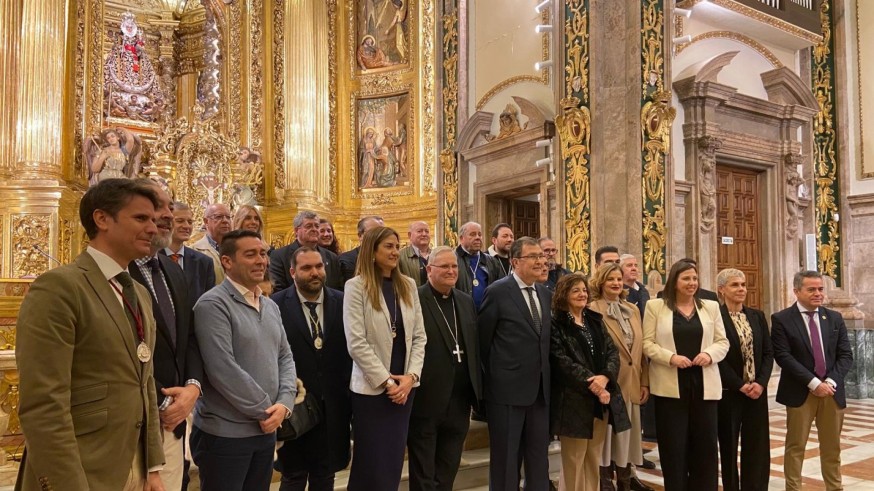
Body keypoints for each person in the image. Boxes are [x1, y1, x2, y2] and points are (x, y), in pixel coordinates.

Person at [16, 178, 165, 490]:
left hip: (133, 464)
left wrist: (152, 466)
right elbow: (44, 403)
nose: (153, 228)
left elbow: (144, 382)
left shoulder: (138, 292)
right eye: (141, 218)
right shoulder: (60, 287)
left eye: (154, 219)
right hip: (84, 467)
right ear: (102, 219)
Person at [191, 230, 297, 491]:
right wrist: (266, 409)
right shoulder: (213, 305)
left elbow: (285, 356)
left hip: (265, 429)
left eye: (263, 253)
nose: (261, 260)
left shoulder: (269, 305)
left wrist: (284, 403)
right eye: (250, 254)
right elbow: (222, 369)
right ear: (227, 261)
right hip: (225, 435)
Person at [129, 181, 203, 491]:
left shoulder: (174, 271)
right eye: (155, 208)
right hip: (132, 423)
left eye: (168, 208)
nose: (166, 215)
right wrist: (161, 401)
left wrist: (192, 389)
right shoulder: (117, 272)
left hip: (174, 422)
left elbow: (188, 338)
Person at [343, 226, 427, 490]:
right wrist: (387, 383)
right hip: (372, 390)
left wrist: (410, 378)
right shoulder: (355, 287)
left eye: (396, 245)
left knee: (392, 461)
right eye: (388, 246)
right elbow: (356, 343)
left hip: (404, 389)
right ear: (372, 250)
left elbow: (419, 337)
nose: (395, 251)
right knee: (371, 462)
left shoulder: (409, 285)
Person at [642, 260, 729, 490]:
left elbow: (723, 341)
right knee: (674, 446)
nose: (692, 283)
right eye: (686, 278)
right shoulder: (655, 306)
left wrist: (709, 355)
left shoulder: (710, 307)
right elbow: (647, 344)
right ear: (674, 281)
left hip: (704, 383)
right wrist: (670, 357)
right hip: (671, 384)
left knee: (705, 445)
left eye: (694, 278)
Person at [271, 247, 352, 490]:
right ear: (293, 272)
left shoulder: (343, 301)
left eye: (318, 266)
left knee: (325, 476)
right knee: (293, 477)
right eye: (306, 268)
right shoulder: (274, 305)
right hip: (295, 406)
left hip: (334, 407)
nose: (314, 272)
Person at [479, 237, 552, 490]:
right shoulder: (498, 291)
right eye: (533, 256)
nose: (541, 261)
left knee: (538, 459)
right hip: (506, 393)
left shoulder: (545, 293)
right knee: (506, 461)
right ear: (516, 261)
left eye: (542, 256)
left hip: (540, 392)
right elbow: (483, 341)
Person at [407, 246, 482, 491]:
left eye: (454, 266)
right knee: (424, 470)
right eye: (445, 267)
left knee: (449, 467)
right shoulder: (414, 299)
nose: (451, 271)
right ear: (429, 270)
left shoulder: (465, 300)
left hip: (459, 401)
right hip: (426, 398)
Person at [771, 270, 853, 491]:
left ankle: (834, 488)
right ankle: (793, 488)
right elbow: (783, 356)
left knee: (832, 448)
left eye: (820, 289)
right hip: (800, 391)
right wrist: (814, 383)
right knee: (796, 446)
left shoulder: (834, 318)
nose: (818, 294)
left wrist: (831, 383)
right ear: (797, 291)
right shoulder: (781, 319)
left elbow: (845, 355)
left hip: (832, 393)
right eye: (812, 289)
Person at [550, 272, 625, 491]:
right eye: (575, 290)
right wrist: (593, 383)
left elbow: (612, 352)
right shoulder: (557, 323)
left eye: (584, 290)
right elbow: (560, 361)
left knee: (593, 457)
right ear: (564, 294)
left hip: (599, 400)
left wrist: (605, 377)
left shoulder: (594, 319)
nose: (582, 294)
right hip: (572, 402)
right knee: (574, 460)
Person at [588, 263, 652, 491]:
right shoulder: (592, 309)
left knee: (627, 438)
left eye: (618, 279)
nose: (615, 283)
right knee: (607, 439)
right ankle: (605, 483)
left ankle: (625, 482)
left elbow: (641, 348)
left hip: (633, 382)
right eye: (610, 279)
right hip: (609, 385)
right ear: (600, 282)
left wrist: (645, 381)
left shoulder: (632, 309)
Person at [715, 268, 773, 491]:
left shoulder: (756, 316)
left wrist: (761, 382)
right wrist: (739, 385)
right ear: (722, 290)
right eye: (734, 285)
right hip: (730, 392)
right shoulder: (716, 317)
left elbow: (768, 353)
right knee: (729, 445)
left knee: (757, 445)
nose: (741, 289)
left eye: (743, 285)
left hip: (757, 391)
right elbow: (718, 358)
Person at [270, 210, 343, 291]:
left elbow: (338, 288)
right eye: (309, 226)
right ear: (296, 231)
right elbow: (277, 288)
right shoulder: (279, 256)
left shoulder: (332, 257)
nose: (314, 229)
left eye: (317, 226)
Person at [162, 201, 216, 303]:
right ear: (167, 222)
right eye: (180, 221)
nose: (186, 226)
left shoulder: (204, 263)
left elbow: (209, 302)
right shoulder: (153, 258)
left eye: (190, 222)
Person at [455, 221, 504, 310]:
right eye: (472, 234)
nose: (477, 238)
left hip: (487, 313)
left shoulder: (492, 261)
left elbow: (501, 289)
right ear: (462, 239)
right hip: (462, 312)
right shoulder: (453, 260)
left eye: (479, 234)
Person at [190, 203, 232, 286]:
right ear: (206, 221)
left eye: (228, 217)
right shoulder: (194, 251)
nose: (225, 221)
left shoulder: (237, 248)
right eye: (219, 217)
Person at [338, 215, 384, 284]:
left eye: (382, 232)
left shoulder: (388, 258)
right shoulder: (346, 260)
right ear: (360, 235)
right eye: (373, 232)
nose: (378, 236)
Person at [398, 220, 432, 286]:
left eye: (427, 231)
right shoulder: (400, 256)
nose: (424, 234)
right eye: (419, 231)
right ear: (410, 235)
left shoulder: (436, 255)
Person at [619, 254, 649, 320]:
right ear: (620, 270)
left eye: (636, 265)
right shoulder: (617, 291)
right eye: (629, 265)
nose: (634, 268)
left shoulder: (643, 291)